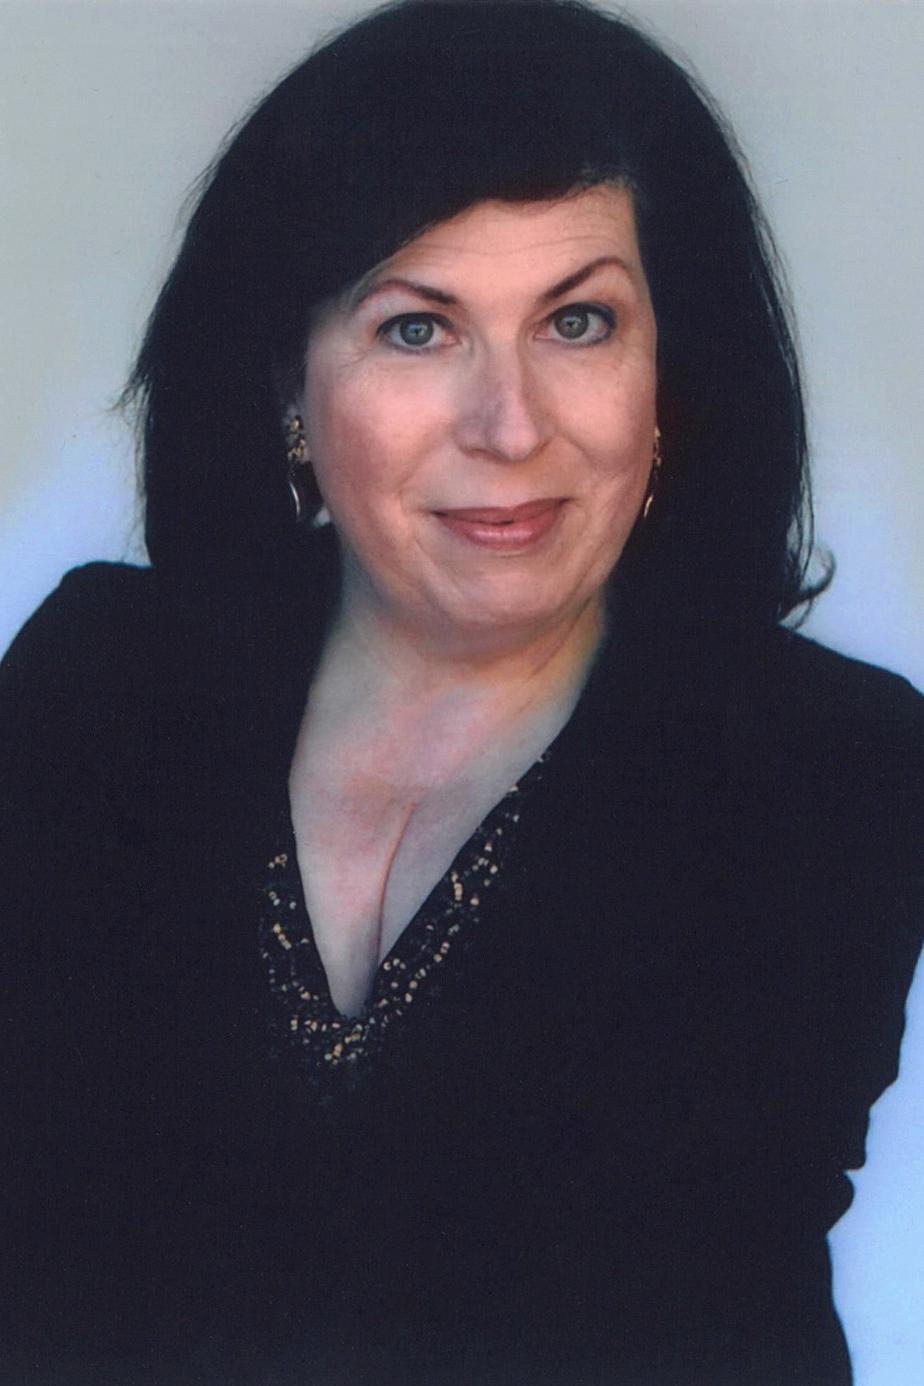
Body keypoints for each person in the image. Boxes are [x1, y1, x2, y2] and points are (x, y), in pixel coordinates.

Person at [1, 0, 921, 1382]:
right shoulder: (98, 687)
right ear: (289, 390)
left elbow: (657, 1287)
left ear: (668, 385)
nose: (511, 425)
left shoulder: (828, 772)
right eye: (418, 330)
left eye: (579, 322)